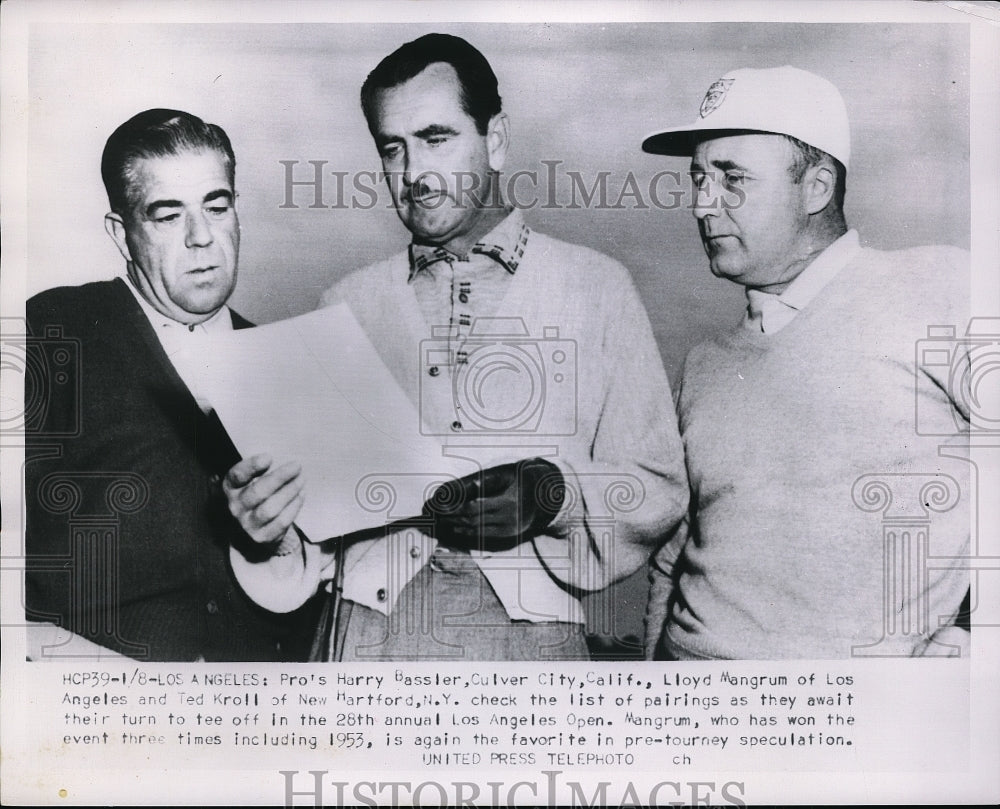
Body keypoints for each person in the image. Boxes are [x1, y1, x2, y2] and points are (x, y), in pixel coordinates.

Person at [225, 33, 688, 661]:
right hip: (364, 642)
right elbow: (310, 526)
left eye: (436, 139)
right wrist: (265, 528)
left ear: (495, 139)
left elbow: (657, 486)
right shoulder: (345, 301)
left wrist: (552, 493)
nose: (413, 174)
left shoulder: (596, 286)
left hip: (530, 656)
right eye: (393, 149)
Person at [641, 66, 972, 659]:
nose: (701, 205)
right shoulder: (704, 366)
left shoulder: (939, 285)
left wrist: (978, 638)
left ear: (816, 187)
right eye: (697, 179)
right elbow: (674, 558)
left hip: (847, 728)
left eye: (731, 178)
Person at [25, 109, 316, 661]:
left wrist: (274, 545)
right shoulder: (51, 331)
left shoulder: (284, 362)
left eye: (216, 205)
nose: (202, 237)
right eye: (167, 216)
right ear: (122, 234)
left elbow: (315, 599)